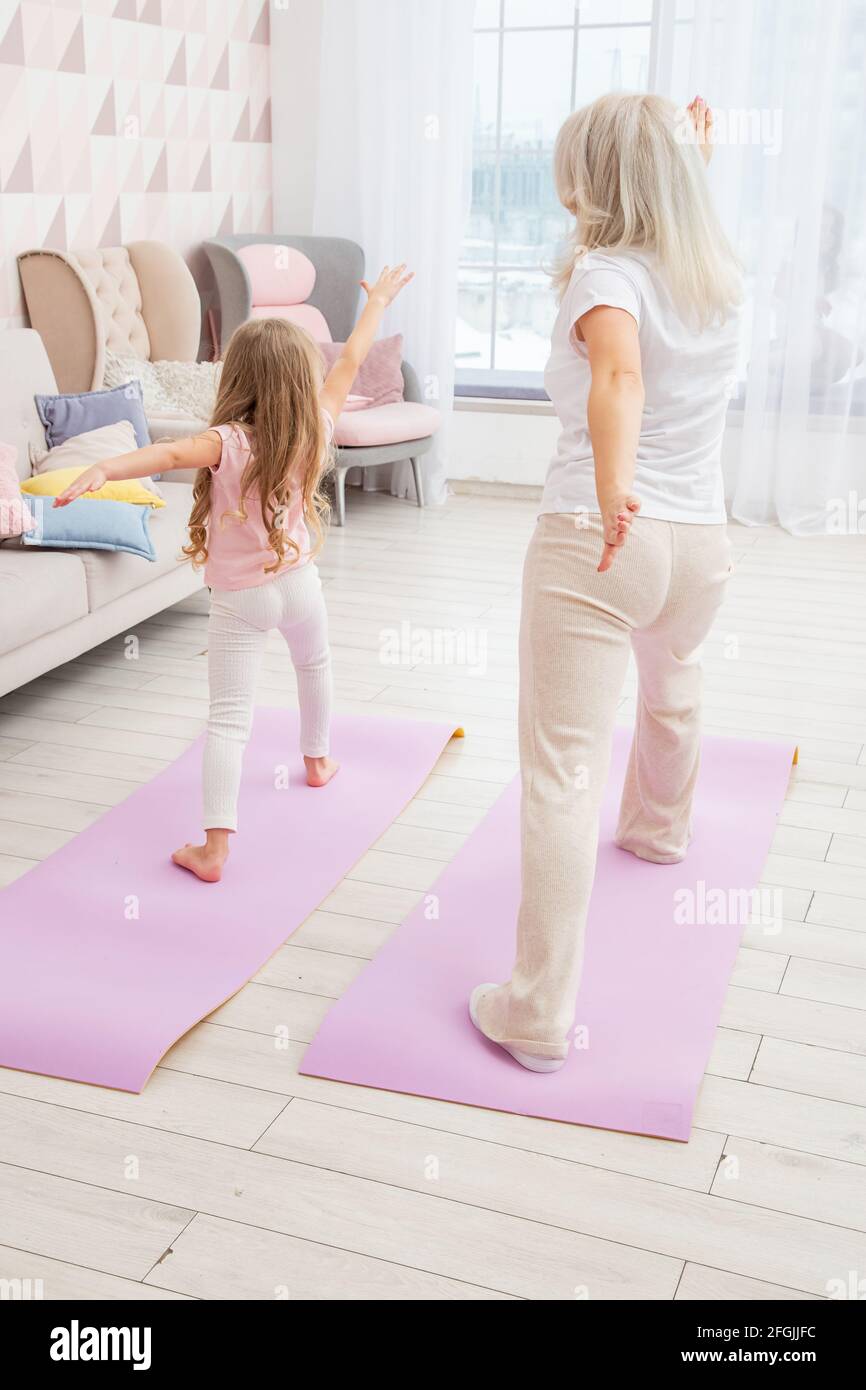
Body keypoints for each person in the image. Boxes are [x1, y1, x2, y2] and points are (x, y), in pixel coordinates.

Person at [471, 93, 743, 1071]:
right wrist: (689, 150)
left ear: (591, 180)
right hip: (698, 542)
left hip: (602, 537)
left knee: (558, 768)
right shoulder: (713, 274)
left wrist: (611, 482)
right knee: (673, 688)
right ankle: (660, 829)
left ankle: (535, 1012)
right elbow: (669, 219)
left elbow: (617, 377)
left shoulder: (604, 273)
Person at [55, 264, 414, 882]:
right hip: (299, 585)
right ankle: (319, 759)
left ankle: (215, 849)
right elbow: (351, 362)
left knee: (228, 721)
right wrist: (378, 303)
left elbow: (167, 453)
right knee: (315, 667)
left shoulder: (229, 441)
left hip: (240, 601)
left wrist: (102, 471)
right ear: (302, 377)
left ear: (238, 378)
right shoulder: (317, 425)